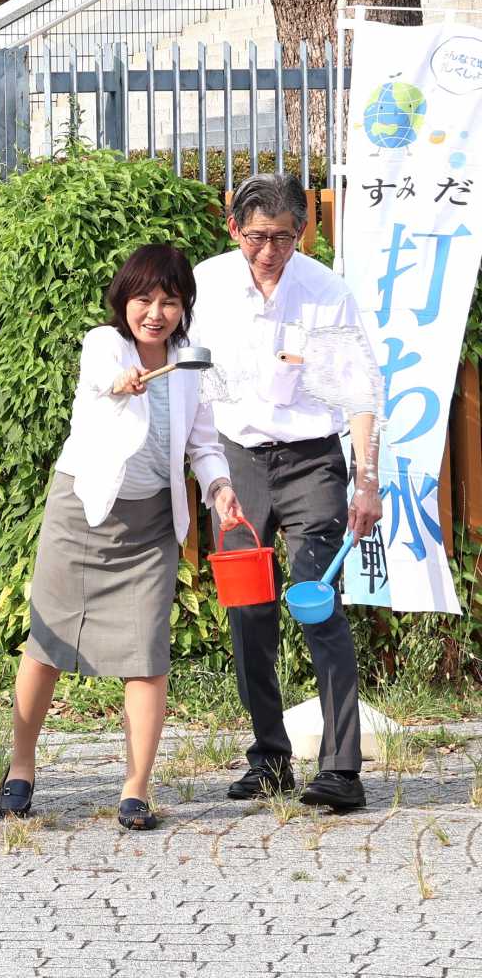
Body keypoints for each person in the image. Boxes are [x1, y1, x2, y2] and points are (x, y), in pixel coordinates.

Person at [0, 244, 238, 829]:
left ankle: (136, 790)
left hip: (152, 522)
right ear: (124, 301)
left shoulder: (189, 364)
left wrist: (220, 487)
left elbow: (202, 443)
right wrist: (124, 380)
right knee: (47, 644)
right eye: (145, 299)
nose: (155, 312)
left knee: (147, 653)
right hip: (84, 511)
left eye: (170, 302)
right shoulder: (105, 345)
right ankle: (20, 768)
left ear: (184, 308)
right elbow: (105, 377)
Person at [193, 172, 380, 813]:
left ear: (303, 231)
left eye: (283, 237)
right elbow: (190, 377)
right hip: (237, 457)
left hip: (311, 462)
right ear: (233, 229)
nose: (269, 251)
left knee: (317, 603)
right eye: (256, 237)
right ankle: (269, 757)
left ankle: (341, 769)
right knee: (248, 611)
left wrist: (367, 480)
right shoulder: (209, 282)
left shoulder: (326, 291)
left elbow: (358, 392)